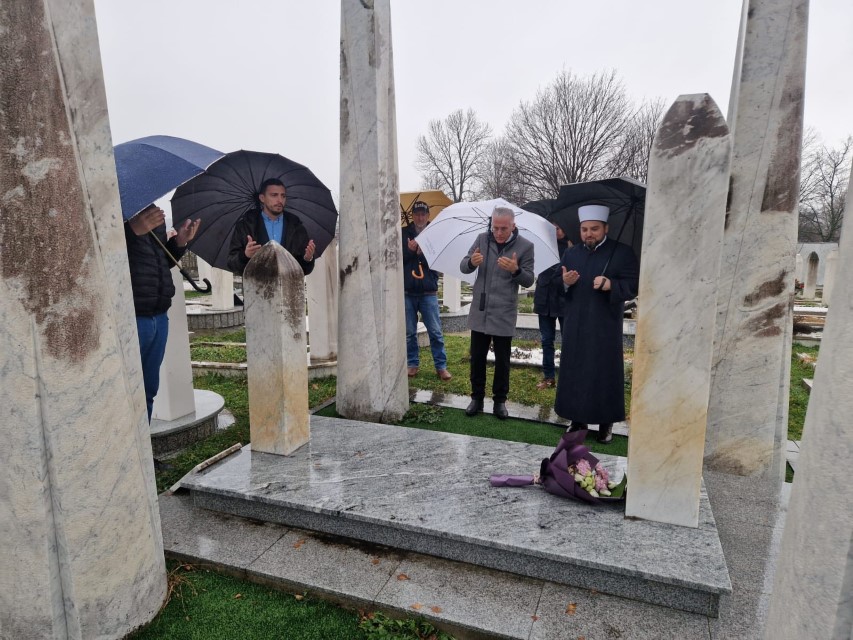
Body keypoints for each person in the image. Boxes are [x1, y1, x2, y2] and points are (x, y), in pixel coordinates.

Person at [554, 204, 639, 443]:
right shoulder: (571, 254)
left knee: (604, 373)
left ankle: (605, 423)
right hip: (576, 323)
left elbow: (634, 285)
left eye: (594, 229)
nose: (589, 234)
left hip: (605, 326)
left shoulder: (622, 252)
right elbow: (556, 285)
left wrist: (612, 285)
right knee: (576, 371)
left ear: (605, 228)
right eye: (584, 230)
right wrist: (565, 282)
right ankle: (577, 419)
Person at [125, 204, 200, 421]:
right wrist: (131, 232)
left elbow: (160, 261)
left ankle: (145, 442)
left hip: (159, 313)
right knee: (127, 389)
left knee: (148, 389)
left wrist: (179, 242)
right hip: (132, 316)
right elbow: (98, 251)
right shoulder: (113, 207)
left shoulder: (147, 208)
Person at [460, 206, 535, 420]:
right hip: (481, 309)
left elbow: (529, 279)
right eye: (495, 228)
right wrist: (471, 262)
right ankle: (476, 398)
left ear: (513, 226)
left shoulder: (525, 246)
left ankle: (500, 401)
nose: (499, 233)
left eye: (504, 228)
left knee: (502, 360)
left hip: (504, 310)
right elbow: (464, 266)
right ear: (491, 225)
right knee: (477, 358)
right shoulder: (482, 239)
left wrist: (515, 270)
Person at [403, 201, 452, 381]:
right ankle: (412, 364)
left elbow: (439, 260)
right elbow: (397, 258)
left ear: (428, 216)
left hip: (428, 291)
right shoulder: (403, 233)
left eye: (423, 214)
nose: (420, 217)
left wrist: (421, 254)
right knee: (409, 332)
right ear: (412, 215)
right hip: (407, 291)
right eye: (417, 214)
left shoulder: (435, 234)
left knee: (435, 332)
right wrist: (410, 251)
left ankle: (441, 366)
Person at [227, 178, 316, 276]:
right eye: (274, 195)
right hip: (256, 284)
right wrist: (245, 256)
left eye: (283, 196)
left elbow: (304, 270)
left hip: (288, 284)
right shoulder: (246, 225)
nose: (280, 200)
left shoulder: (296, 226)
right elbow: (232, 263)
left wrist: (307, 259)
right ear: (262, 198)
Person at [533, 221, 571, 389]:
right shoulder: (542, 245)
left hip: (564, 300)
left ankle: (568, 375)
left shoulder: (573, 247)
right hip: (545, 299)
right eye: (554, 227)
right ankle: (549, 376)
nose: (557, 231)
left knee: (568, 340)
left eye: (560, 227)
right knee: (547, 340)